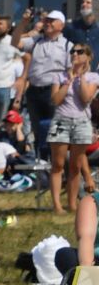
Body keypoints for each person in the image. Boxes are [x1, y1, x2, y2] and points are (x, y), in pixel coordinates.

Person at [19, 10, 71, 200]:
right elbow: (14, 42)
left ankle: (62, 172)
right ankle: (47, 176)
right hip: (34, 91)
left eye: (52, 20)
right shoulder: (36, 41)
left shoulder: (67, 45)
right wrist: (23, 23)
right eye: (46, 20)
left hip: (53, 91)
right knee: (40, 134)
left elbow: (70, 72)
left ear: (61, 25)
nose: (47, 23)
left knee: (56, 134)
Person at [48, 44, 98, 212]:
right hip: (61, 120)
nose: (75, 54)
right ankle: (57, 205)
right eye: (73, 51)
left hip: (82, 122)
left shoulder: (93, 77)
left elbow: (86, 98)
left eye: (79, 52)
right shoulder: (59, 76)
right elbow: (55, 100)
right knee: (58, 164)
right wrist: (68, 81)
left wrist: (81, 77)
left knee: (76, 166)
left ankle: (72, 204)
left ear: (88, 57)